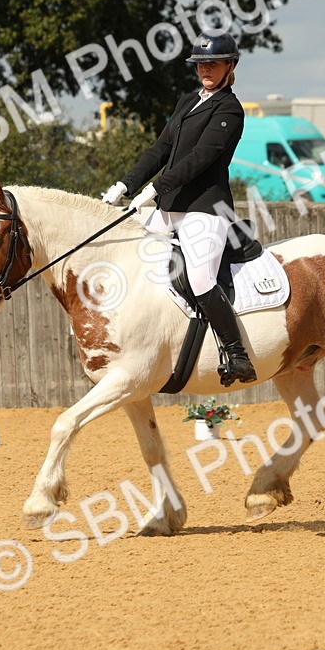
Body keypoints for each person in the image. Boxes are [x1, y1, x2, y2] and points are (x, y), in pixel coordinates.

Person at [101, 30, 257, 387]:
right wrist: (125, 184)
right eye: (200, 64)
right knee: (129, 259)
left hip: (205, 209)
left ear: (230, 66)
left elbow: (201, 157)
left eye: (213, 64)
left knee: (200, 278)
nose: (206, 70)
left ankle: (238, 354)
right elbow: (160, 150)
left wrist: (156, 187)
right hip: (169, 208)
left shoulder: (229, 109)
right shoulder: (187, 102)